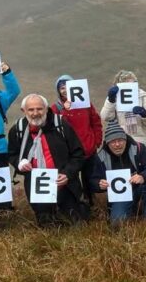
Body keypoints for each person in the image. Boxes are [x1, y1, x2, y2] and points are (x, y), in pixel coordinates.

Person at [8, 93, 89, 226]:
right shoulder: (18, 129)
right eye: (31, 110)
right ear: (24, 111)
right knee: (46, 223)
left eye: (39, 109)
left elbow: (78, 154)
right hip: (37, 186)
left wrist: (68, 174)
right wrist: (19, 163)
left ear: (46, 108)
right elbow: (12, 154)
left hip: (65, 184)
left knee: (75, 222)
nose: (35, 113)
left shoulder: (60, 124)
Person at [91, 122, 146, 225]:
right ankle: (130, 210)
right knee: (117, 223)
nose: (117, 144)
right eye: (113, 142)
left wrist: (142, 176)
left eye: (120, 140)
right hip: (120, 196)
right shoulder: (100, 156)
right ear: (107, 143)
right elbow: (92, 180)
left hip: (139, 188)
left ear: (125, 139)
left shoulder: (139, 148)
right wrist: (99, 184)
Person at [51, 74, 103, 203]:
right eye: (61, 88)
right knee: (73, 183)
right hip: (70, 154)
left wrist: (97, 141)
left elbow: (96, 122)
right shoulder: (56, 108)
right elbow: (55, 127)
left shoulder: (86, 104)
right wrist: (65, 110)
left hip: (89, 150)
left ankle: (92, 207)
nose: (65, 90)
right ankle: (78, 207)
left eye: (67, 86)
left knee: (90, 182)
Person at [100, 70, 146, 148]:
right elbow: (105, 117)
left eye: (133, 82)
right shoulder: (114, 96)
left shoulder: (142, 96)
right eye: (126, 83)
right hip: (122, 142)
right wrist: (111, 101)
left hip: (141, 142)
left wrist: (144, 113)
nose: (130, 85)